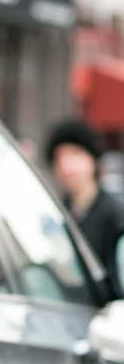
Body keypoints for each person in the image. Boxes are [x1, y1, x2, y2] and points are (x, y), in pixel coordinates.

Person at [45, 117, 124, 296]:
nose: (67, 166)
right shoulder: (57, 213)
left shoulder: (115, 213)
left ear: (93, 160)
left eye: (75, 154)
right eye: (60, 157)